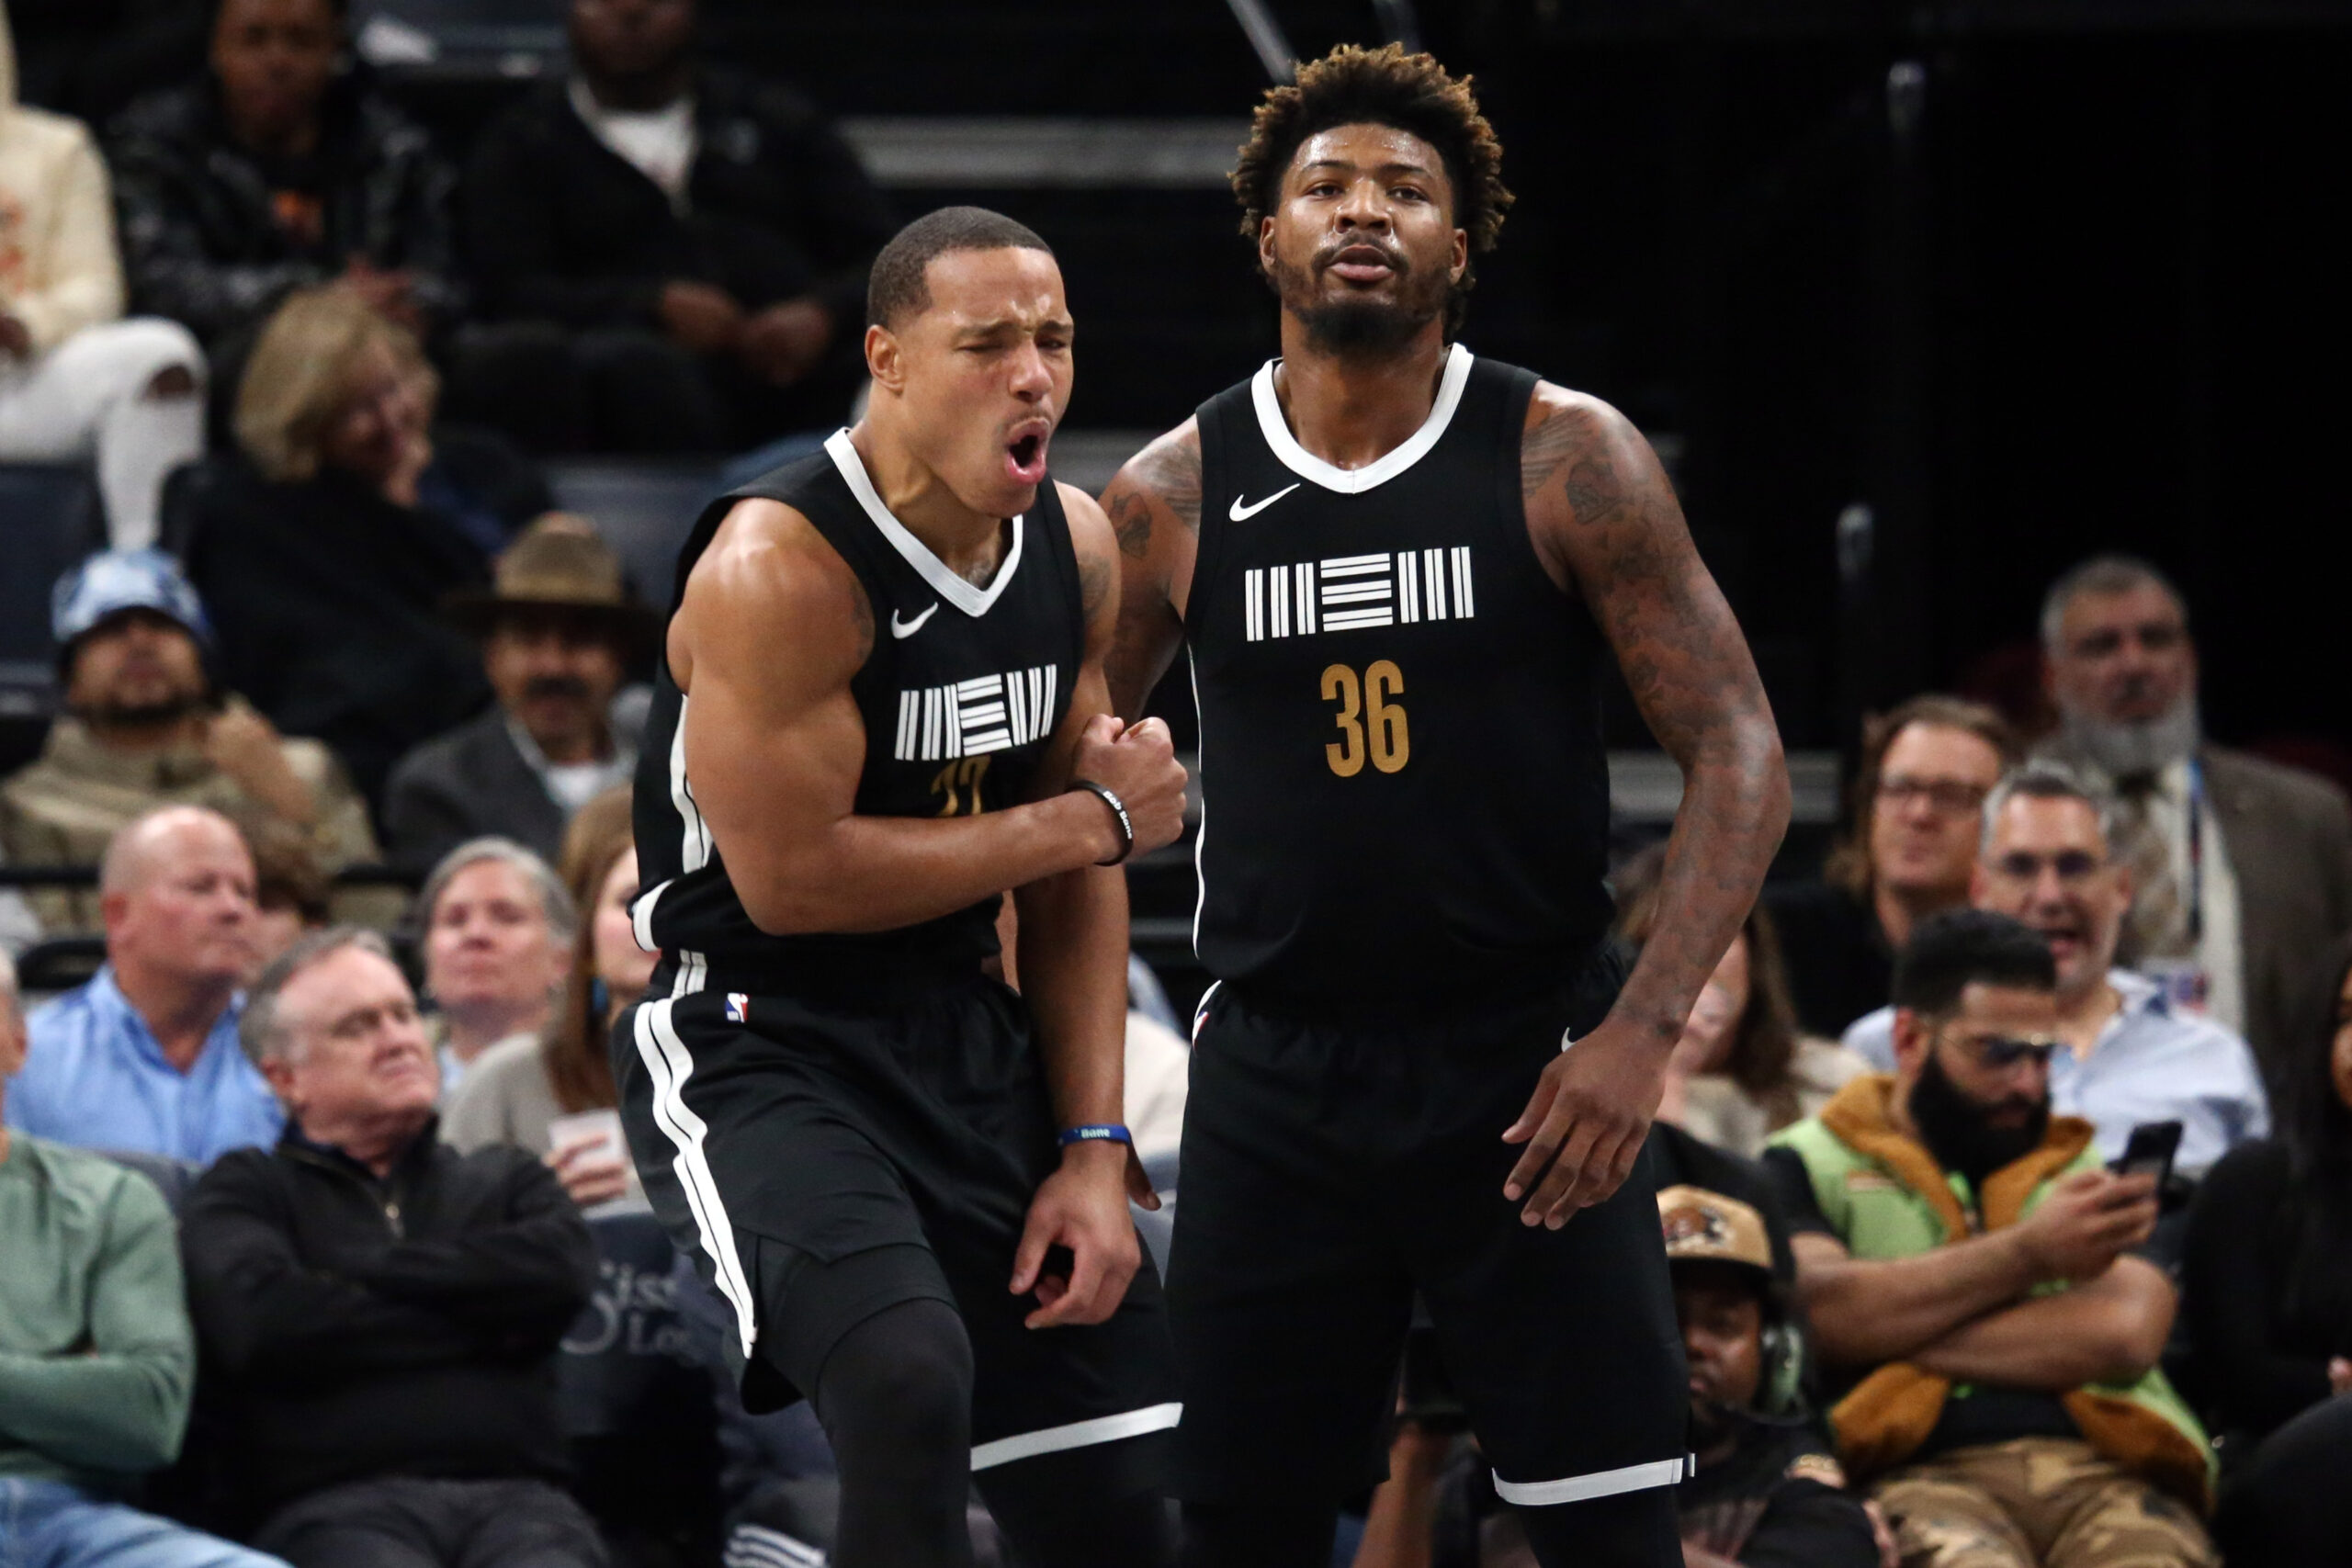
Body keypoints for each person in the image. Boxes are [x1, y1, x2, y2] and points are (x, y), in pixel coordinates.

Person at [1103, 45, 1790, 1568]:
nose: (1364, 211)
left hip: (1532, 1058)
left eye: (1406, 190)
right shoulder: (1173, 491)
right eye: (1326, 187)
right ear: (1268, 237)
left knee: (1609, 1533)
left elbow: (1742, 746)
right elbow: (1058, 788)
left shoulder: (1566, 454)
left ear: (1458, 250)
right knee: (1235, 1530)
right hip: (1279, 1073)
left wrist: (1639, 1035)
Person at [619, 203, 1191, 1568]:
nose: (1033, 373)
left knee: (1117, 1501)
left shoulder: (1077, 546)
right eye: (986, 342)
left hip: (962, 1025)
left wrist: (1097, 1148)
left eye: (1051, 339)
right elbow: (797, 879)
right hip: (760, 1034)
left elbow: (1078, 877)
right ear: (885, 357)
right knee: (905, 1378)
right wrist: (1082, 822)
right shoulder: (780, 565)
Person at [1763, 909, 2216, 1568]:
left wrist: (1889, 1328)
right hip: (1916, 1471)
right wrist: (2031, 1253)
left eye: (2042, 1052)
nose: (2028, 1083)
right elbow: (1820, 1315)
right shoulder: (1807, 1161)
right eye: (1998, 1052)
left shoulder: (2073, 1161)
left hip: (2106, 1469)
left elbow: (2124, 1331)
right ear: (1911, 1038)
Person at [180, 927, 605, 1568]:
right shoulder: (246, 1188)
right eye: (358, 1026)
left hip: (524, 1504)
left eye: (404, 1014)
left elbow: (559, 1279)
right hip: (335, 1508)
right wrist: (483, 1316)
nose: (399, 1038)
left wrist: (351, 1271)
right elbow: (262, 1324)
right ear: (285, 1076)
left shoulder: (505, 1176)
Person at [453, 0, 893, 455]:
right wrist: (650, 306)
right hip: (633, 393)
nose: (630, 11)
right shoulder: (523, 142)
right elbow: (505, 289)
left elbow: (887, 254)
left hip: (801, 381)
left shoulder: (776, 121)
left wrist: (822, 313)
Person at [178, 287, 553, 802]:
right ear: (303, 423)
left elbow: (563, 573)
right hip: (388, 734)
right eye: (357, 410)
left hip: (526, 702)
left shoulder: (481, 467)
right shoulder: (265, 517)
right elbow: (330, 658)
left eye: (394, 389)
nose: (391, 419)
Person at [0, 949, 290, 1568]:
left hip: (75, 1520)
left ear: (17, 1042)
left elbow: (148, 1413)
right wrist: (60, 1379)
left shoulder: (110, 1199)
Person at [1842, 765, 2269, 1179]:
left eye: (2074, 867)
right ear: (1979, 888)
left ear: (2122, 888)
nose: (2049, 896)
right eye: (2021, 868)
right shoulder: (1888, 1047)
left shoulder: (2214, 1058)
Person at [2037, 554, 2352, 1071]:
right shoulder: (2010, 812)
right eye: (2102, 646)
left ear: (2190, 658)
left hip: (2266, 1132)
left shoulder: (2306, 817)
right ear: (2053, 678)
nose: (2134, 665)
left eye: (2156, 639)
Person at [105, 0, 458, 411]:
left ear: (336, 46)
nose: (277, 61)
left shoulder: (394, 146)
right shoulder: (156, 145)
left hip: (391, 340)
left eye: (301, 41)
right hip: (234, 349)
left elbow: (447, 275)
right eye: (254, 39)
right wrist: (316, 298)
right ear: (216, 47)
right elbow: (160, 282)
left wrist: (409, 299)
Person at [1, 549, 378, 933]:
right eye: (110, 629)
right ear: (70, 681)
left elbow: (379, 925)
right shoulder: (22, 805)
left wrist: (295, 809)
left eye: (163, 625)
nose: (140, 641)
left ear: (203, 665)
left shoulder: (299, 770)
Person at [2, 2, 205, 550]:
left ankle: (142, 581)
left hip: (18, 380)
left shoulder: (57, 147)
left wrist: (25, 322)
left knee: (159, 359)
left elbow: (97, 287)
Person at [2180, 931, 2352, 1565]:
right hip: (2273, 1467)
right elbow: (2242, 1374)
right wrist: (2332, 1391)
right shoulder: (2256, 1180)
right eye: (2347, 1018)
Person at [6, 805, 277, 1161]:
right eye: (200, 887)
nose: (233, 909)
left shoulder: (294, 1053)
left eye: (245, 892)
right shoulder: (28, 1059)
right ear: (118, 915)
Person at [384, 519, 652, 871]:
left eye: (580, 641)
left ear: (619, 657)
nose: (553, 667)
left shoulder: (673, 773)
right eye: (528, 640)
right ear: (492, 658)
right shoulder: (439, 787)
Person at [1766, 697, 2018, 1039]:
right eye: (1900, 789)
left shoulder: (2024, 956)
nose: (1919, 814)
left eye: (1952, 795)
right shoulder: (1779, 934)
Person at [443, 787, 645, 1209]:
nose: (656, 920)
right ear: (583, 942)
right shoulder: (507, 1078)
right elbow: (440, 1241)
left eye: (682, 899)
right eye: (631, 901)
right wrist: (531, 1207)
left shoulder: (767, 1067)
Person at [1661, 1182, 1882, 1568]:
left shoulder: (1796, 1476)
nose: (1694, 1344)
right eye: (1668, 1323)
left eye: (1722, 1324)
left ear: (1775, 1348)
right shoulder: (1558, 1456)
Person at [1615, 846, 1869, 1158]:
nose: (1691, 964)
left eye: (1714, 936)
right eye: (1654, 942)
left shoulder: (1835, 1079)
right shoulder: (1593, 1096)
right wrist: (1669, 1073)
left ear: (1754, 954)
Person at [415, 837, 572, 1089]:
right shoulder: (395, 1081)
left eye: (507, 917)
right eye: (455, 920)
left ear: (562, 960)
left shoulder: (605, 1072)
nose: (475, 934)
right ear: (427, 958)